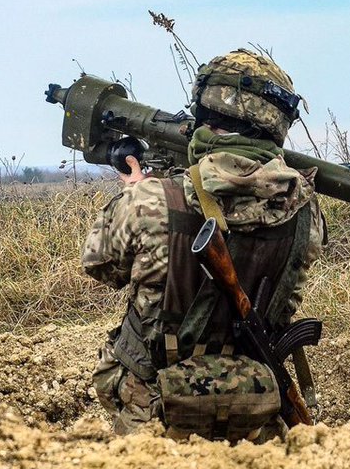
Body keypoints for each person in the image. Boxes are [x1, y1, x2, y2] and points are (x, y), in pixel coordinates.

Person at [82, 49, 324, 442]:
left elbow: (101, 266)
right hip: (253, 421)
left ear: (204, 112)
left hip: (154, 421)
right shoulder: (306, 212)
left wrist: (142, 190)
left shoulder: (149, 201)